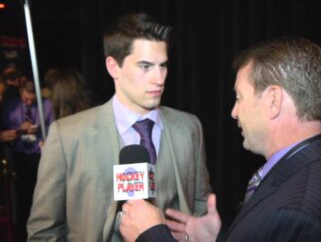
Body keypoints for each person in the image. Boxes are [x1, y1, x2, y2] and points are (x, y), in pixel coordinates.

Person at [119, 37, 321, 242]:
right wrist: (220, 237)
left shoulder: (296, 212)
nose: (234, 112)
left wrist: (151, 236)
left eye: (239, 97)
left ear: (273, 100)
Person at [27, 13, 211, 241]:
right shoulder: (67, 136)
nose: (159, 78)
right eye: (145, 66)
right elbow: (43, 232)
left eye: (162, 66)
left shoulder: (189, 128)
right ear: (113, 67)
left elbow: (200, 208)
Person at [2, 79, 53, 241]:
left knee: (42, 194)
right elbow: (5, 128)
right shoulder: (11, 106)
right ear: (20, 93)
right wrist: (19, 129)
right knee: (23, 196)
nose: (29, 102)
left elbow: (53, 128)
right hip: (20, 155)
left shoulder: (47, 105)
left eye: (32, 99)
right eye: (26, 99)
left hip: (40, 155)